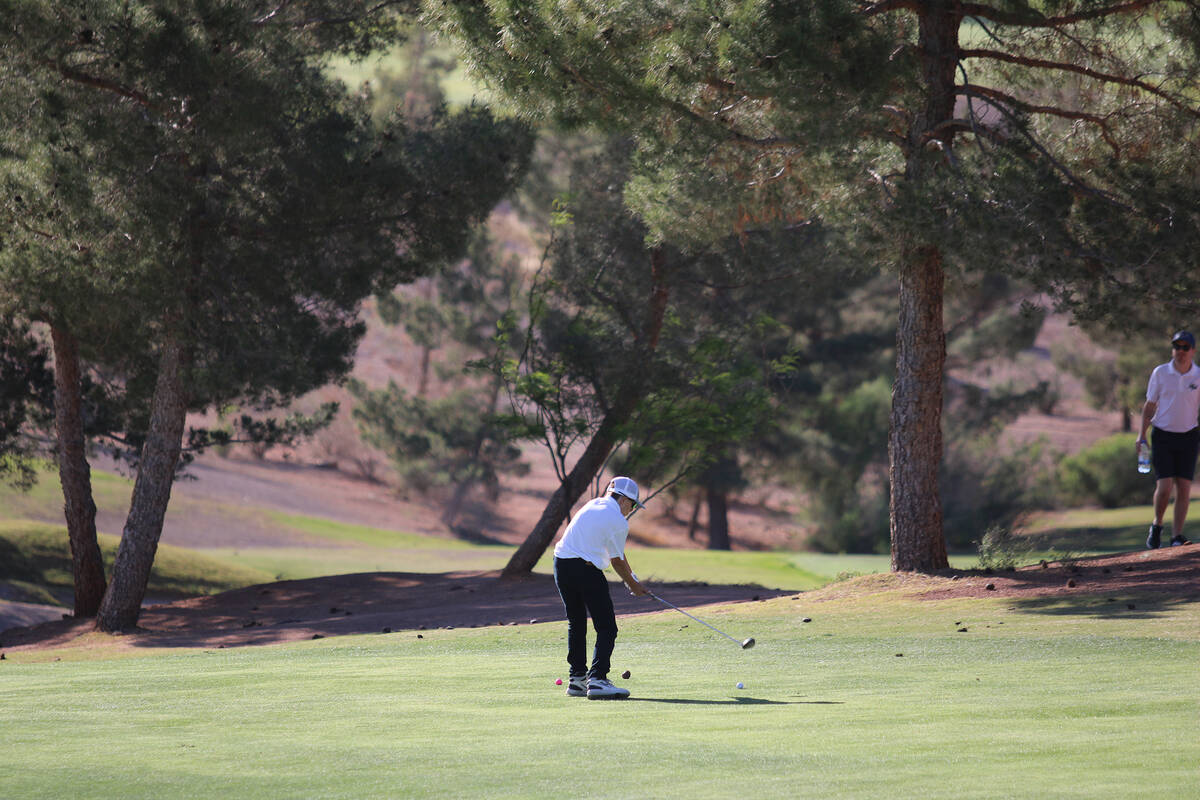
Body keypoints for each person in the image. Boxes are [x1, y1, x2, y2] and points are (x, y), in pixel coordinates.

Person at [552, 476, 650, 699]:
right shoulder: (618, 519)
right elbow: (616, 562)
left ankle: (577, 680)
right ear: (624, 500)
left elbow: (618, 554)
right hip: (584, 570)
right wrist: (634, 586)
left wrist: (631, 578)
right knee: (606, 627)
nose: (631, 510)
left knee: (576, 623)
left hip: (561, 564)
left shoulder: (593, 504)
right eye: (633, 505)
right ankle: (597, 679)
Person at [1139, 330, 1200, 549]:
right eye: (1177, 347)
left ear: (1192, 350)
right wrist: (1141, 435)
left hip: (1189, 436)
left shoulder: (1198, 376)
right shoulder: (1160, 373)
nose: (1180, 352)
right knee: (1164, 487)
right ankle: (1157, 525)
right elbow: (1149, 406)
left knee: (1184, 488)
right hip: (1163, 435)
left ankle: (1176, 536)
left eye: (1185, 347)